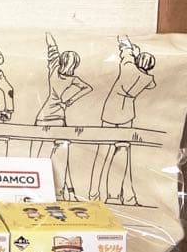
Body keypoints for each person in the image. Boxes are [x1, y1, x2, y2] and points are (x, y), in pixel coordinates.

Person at [89, 35, 155, 205]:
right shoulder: (148, 79)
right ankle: (117, 195)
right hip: (127, 114)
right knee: (122, 154)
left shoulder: (128, 67)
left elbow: (125, 50)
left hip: (110, 112)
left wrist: (129, 45)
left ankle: (94, 193)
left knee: (101, 154)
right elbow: (152, 85)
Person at [32, 33, 92, 200]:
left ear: (61, 61)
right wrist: (68, 101)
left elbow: (52, 49)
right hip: (58, 117)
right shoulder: (73, 79)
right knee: (60, 157)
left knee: (41, 154)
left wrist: (48, 35)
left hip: (43, 116)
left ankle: (48, 190)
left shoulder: (53, 71)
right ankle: (62, 192)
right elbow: (88, 88)